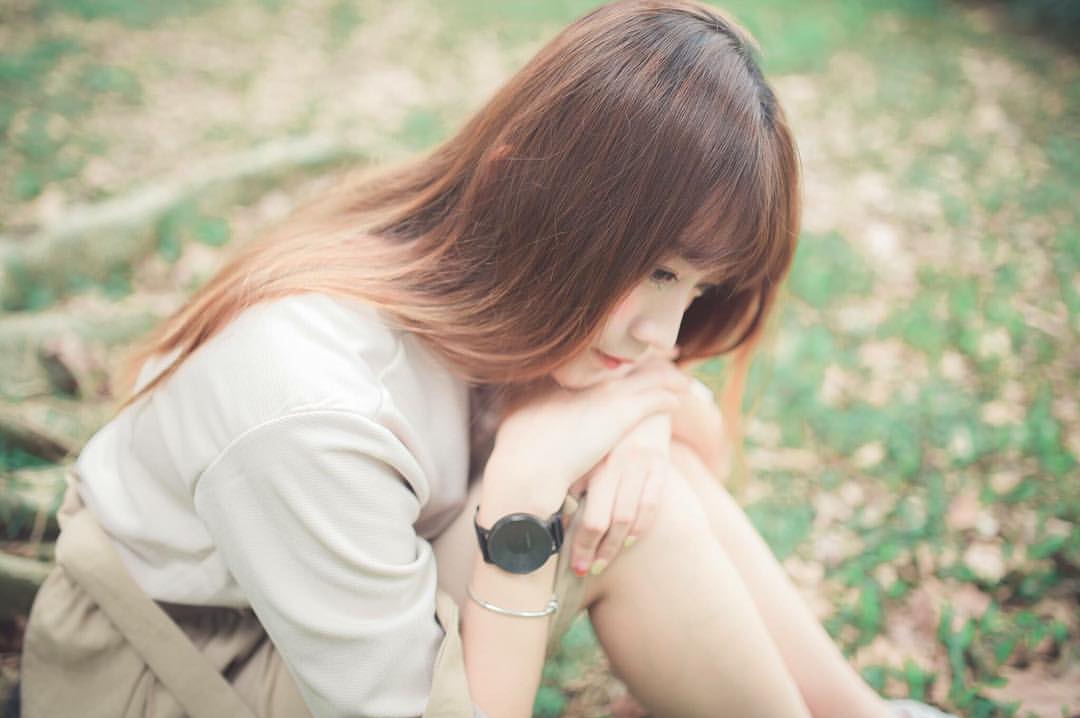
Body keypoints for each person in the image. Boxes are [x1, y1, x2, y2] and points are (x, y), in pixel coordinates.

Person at [18, 2, 956, 717]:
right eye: (657, 269)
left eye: (697, 288)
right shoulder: (312, 410)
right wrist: (527, 492)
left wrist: (631, 428)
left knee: (653, 488)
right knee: (639, 519)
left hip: (305, 621)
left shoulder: (481, 271)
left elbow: (698, 444)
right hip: (174, 676)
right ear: (522, 185)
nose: (666, 338)